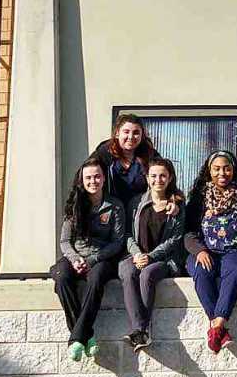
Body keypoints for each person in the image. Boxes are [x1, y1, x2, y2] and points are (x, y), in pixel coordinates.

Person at [184, 150, 237, 353]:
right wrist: (199, 250)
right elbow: (188, 233)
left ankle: (216, 325)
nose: (222, 173)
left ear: (233, 170)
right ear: (208, 171)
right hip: (205, 252)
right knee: (201, 272)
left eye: (226, 168)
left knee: (234, 270)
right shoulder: (198, 200)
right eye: (216, 169)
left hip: (234, 252)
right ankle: (219, 326)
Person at [50, 156, 125, 361]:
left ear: (103, 179)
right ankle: (86, 336)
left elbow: (117, 242)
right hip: (75, 256)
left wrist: (92, 260)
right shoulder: (74, 205)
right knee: (61, 278)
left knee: (96, 278)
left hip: (102, 258)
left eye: (97, 177)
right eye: (88, 178)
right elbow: (65, 241)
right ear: (81, 181)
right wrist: (75, 260)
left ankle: (76, 338)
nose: (93, 181)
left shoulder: (115, 206)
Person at [118, 156, 186, 352]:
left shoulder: (177, 206)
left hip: (163, 260)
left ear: (170, 178)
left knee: (147, 274)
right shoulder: (135, 203)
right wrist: (138, 254)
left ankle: (140, 329)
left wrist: (151, 257)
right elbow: (128, 234)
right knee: (126, 269)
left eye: (163, 176)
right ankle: (141, 332)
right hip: (137, 256)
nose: (158, 180)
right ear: (147, 178)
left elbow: (175, 239)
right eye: (154, 176)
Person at [92, 113, 158, 210]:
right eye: (126, 132)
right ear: (117, 133)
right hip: (110, 214)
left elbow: (166, 177)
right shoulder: (104, 153)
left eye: (136, 133)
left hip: (139, 213)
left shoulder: (149, 154)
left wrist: (172, 198)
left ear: (142, 135)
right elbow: (85, 177)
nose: (131, 137)